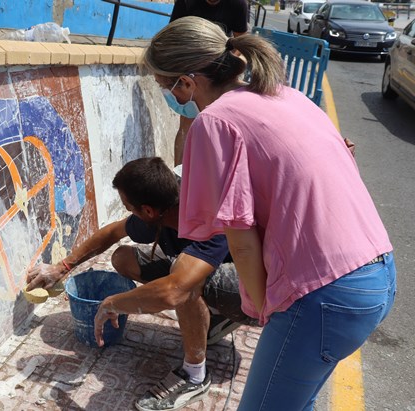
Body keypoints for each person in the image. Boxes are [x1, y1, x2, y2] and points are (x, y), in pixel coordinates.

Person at [141, 16, 396, 410]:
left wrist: (263, 310)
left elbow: (239, 240)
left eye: (165, 85)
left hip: (325, 296)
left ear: (187, 82)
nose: (169, 95)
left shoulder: (214, 122)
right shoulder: (285, 95)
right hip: (378, 274)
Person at [26, 157, 255, 411]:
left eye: (129, 207)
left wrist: (113, 304)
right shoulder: (167, 203)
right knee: (123, 258)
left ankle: (194, 375)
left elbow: (173, 291)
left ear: (147, 211)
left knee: (184, 284)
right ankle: (213, 320)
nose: (128, 213)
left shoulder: (208, 218)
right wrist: (63, 267)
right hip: (214, 270)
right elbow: (113, 233)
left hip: (255, 292)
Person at [169, 0, 249, 166]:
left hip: (221, 70)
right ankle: (179, 177)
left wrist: (224, 62)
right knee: (186, 123)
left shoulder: (238, 4)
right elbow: (173, 33)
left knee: (219, 123)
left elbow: (241, 39)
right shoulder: (187, 2)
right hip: (191, 67)